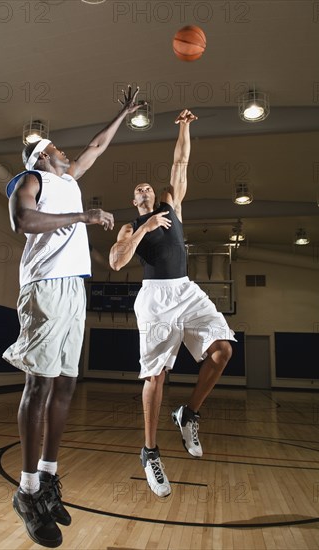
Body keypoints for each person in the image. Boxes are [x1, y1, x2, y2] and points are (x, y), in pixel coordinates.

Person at [3, 85, 141, 547]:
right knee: (38, 383)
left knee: (65, 383)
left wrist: (121, 113)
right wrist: (82, 218)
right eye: (57, 150)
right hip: (44, 288)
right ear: (41, 157)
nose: (67, 153)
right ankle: (25, 492)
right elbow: (23, 222)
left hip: (74, 288)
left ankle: (48, 478)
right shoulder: (32, 182)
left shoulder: (69, 178)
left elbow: (97, 146)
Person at [109, 109, 236, 498]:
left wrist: (184, 127)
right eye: (140, 190)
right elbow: (116, 261)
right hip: (154, 299)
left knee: (222, 350)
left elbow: (181, 162)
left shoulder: (172, 205)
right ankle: (149, 452)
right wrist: (145, 227)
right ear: (134, 200)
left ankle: (188, 413)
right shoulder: (131, 226)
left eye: (149, 187)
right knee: (155, 376)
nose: (146, 191)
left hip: (185, 290)